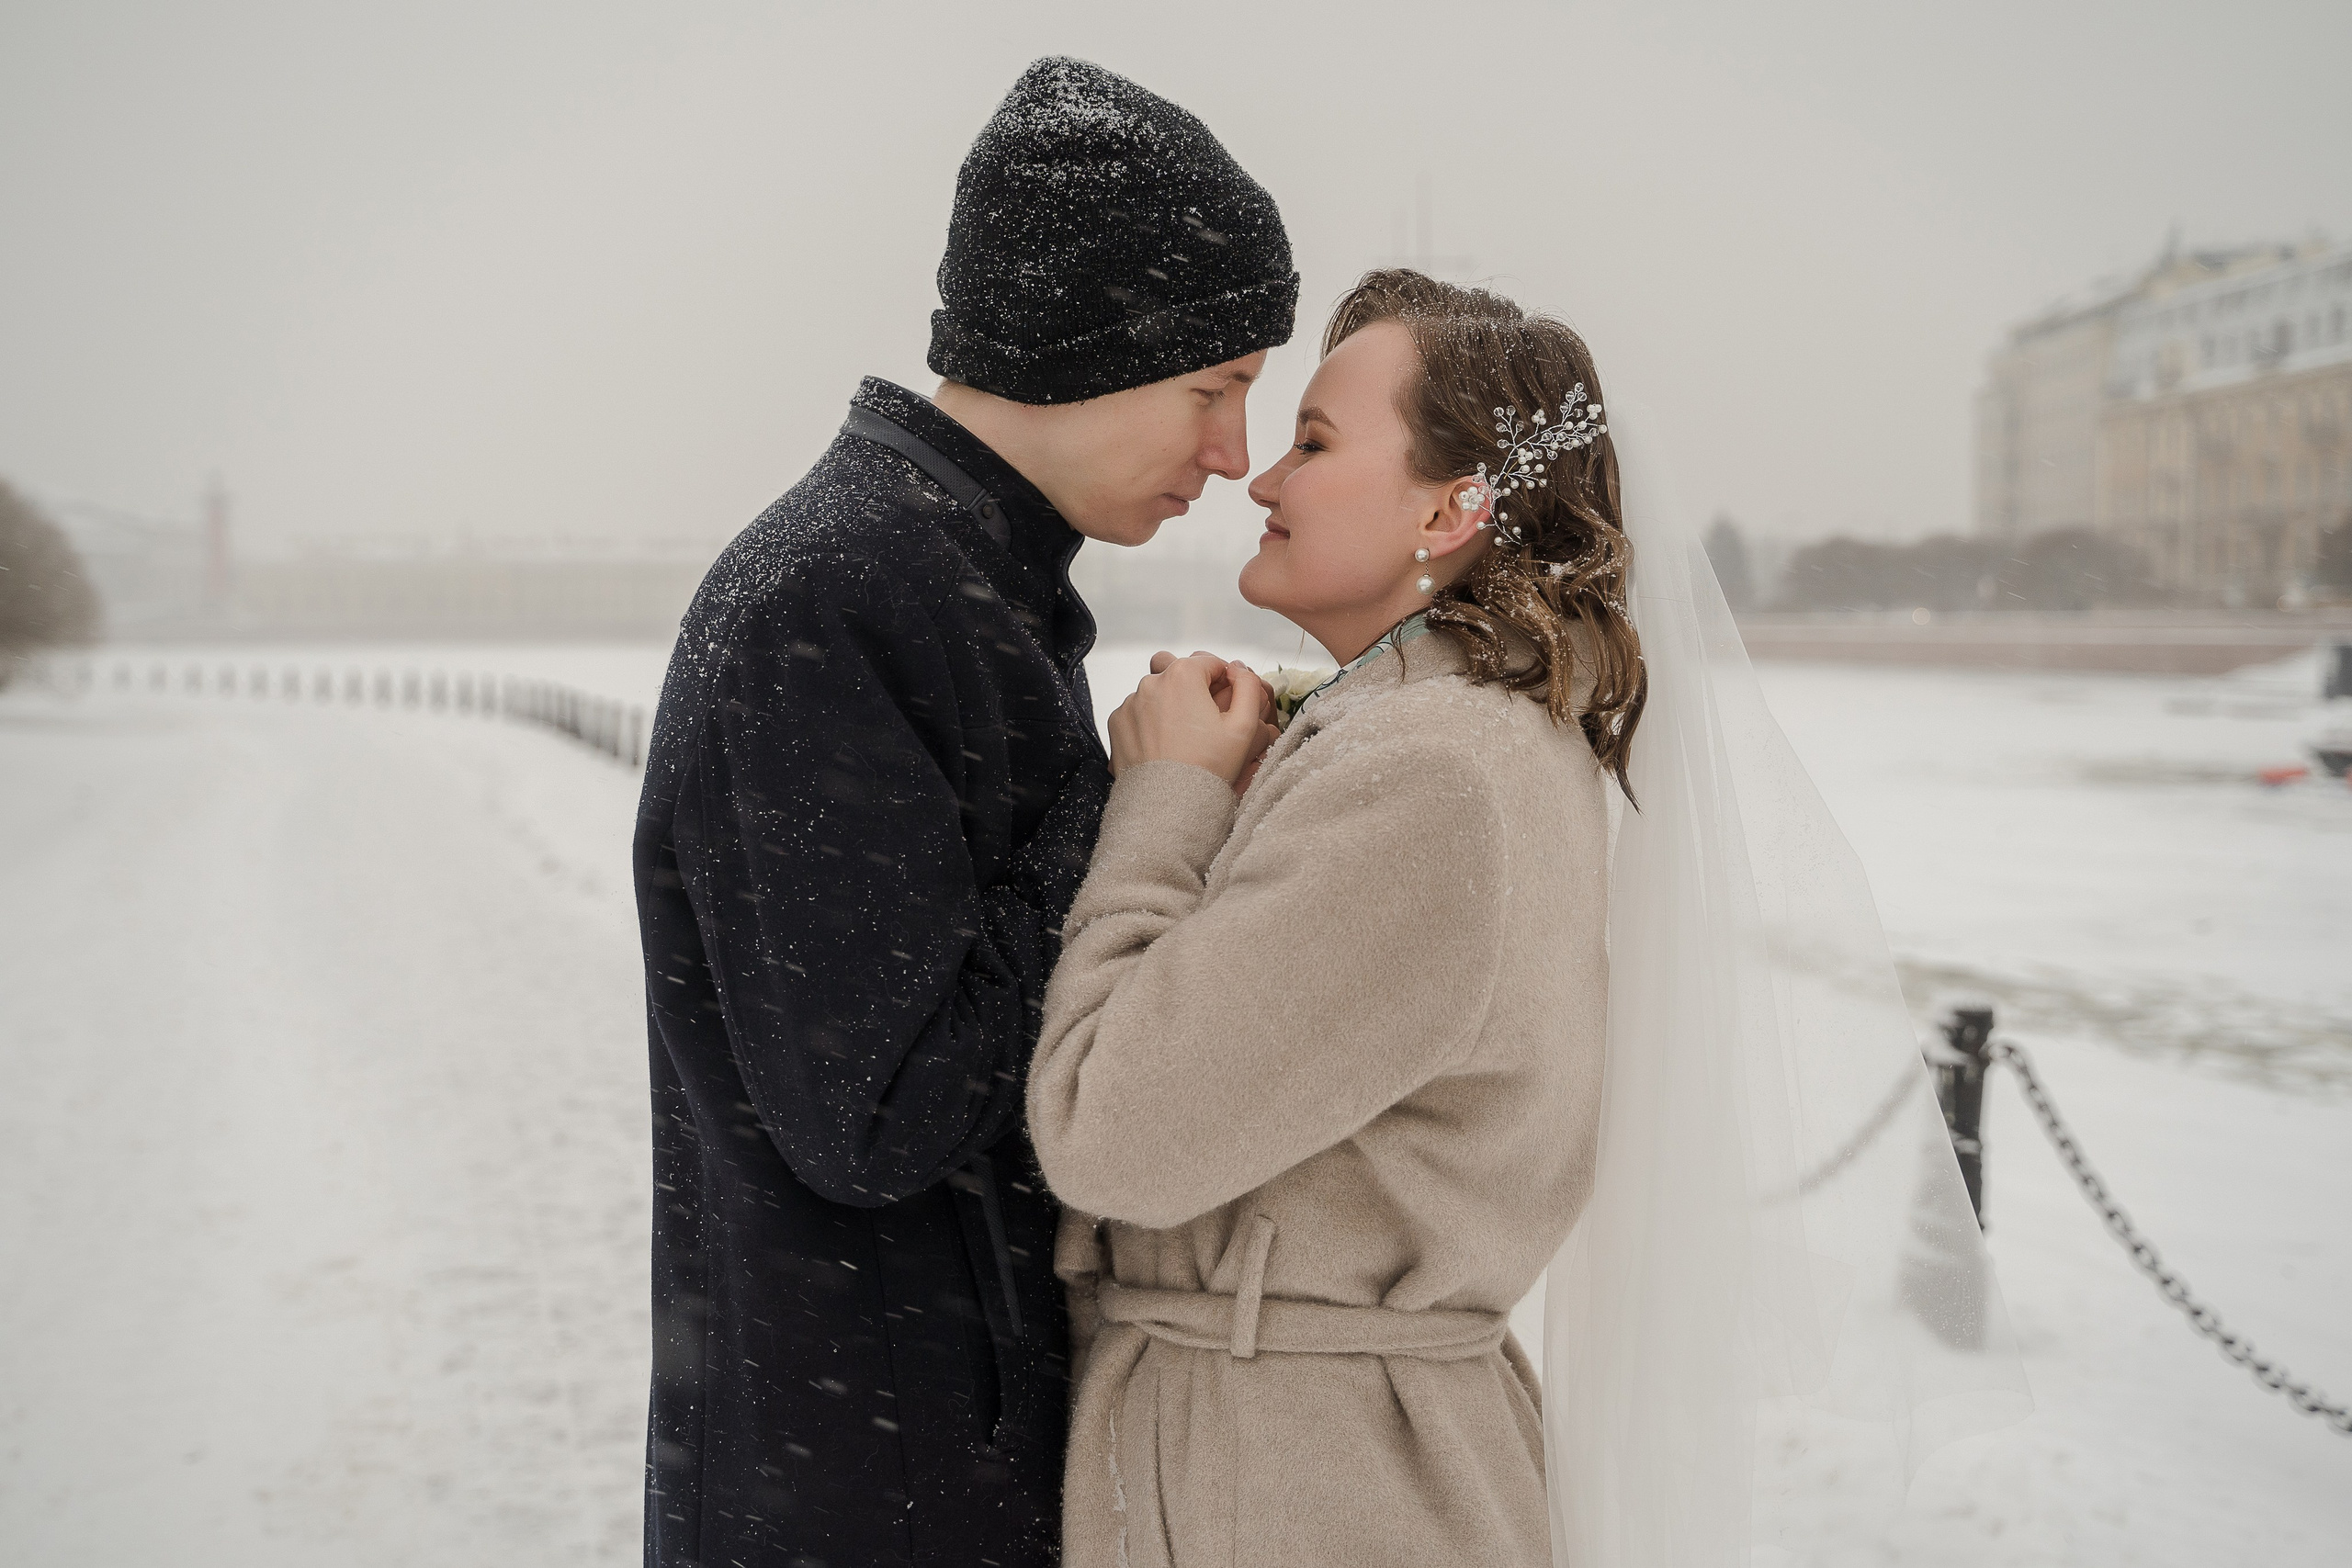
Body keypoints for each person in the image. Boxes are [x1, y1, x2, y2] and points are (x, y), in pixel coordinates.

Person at [1029, 270, 2027, 1568]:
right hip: (1315, 1452)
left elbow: (1116, 1134)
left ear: (1456, 506)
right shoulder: (1453, 742)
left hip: (1295, 1486)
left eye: (1315, 443)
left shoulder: (1432, 780)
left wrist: (1166, 799)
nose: (1259, 482)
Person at [631, 57, 1295, 1568]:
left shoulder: (942, 585)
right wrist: (1144, 807)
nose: (1231, 455)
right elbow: (879, 1116)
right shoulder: (844, 596)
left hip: (899, 1457)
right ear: (1083, 345)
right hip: (869, 1490)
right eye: (1216, 387)